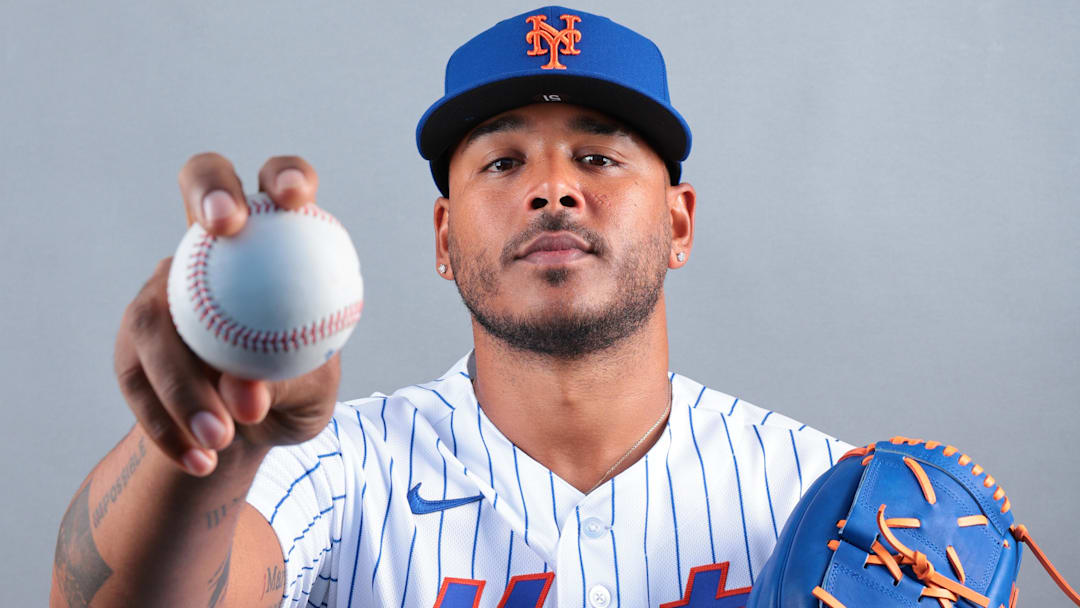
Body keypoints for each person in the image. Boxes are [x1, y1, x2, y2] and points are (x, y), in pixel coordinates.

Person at [51, 6, 848, 607]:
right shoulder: (336, 473)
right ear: (443, 237)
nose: (552, 188)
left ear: (678, 224)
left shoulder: (820, 491)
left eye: (597, 156)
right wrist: (215, 451)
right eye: (502, 162)